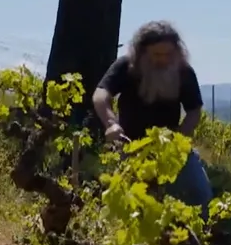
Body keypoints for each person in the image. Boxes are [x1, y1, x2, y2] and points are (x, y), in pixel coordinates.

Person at [91, 21, 214, 210]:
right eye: (157, 54)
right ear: (141, 52)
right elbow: (100, 96)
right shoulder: (126, 67)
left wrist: (179, 141)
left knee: (200, 194)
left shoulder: (184, 72)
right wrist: (111, 124)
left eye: (168, 54)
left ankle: (203, 236)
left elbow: (194, 111)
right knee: (130, 205)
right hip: (131, 147)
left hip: (171, 148)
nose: (163, 59)